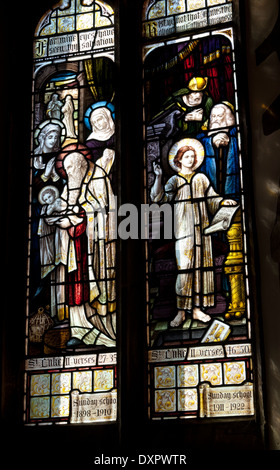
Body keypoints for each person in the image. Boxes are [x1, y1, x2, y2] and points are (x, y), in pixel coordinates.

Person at [150, 138, 237, 328]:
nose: (190, 159)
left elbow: (212, 198)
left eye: (192, 156)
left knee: (201, 268)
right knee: (186, 269)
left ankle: (197, 309)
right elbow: (158, 198)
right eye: (186, 156)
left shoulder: (201, 178)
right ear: (179, 160)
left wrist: (223, 202)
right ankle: (181, 311)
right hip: (183, 231)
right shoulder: (174, 180)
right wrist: (158, 177)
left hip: (203, 230)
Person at [53, 145, 117, 347]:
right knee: (75, 285)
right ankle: (79, 329)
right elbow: (63, 204)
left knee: (98, 282)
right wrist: (61, 217)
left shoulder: (98, 177)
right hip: (76, 245)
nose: (70, 174)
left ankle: (104, 330)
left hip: (97, 245)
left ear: (81, 165)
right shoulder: (72, 182)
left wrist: (78, 216)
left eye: (72, 170)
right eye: (67, 170)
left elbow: (103, 209)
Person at [149, 77, 214, 141]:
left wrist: (203, 118)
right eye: (194, 92)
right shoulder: (175, 101)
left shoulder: (207, 101)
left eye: (200, 92)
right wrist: (184, 118)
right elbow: (165, 121)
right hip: (177, 140)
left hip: (200, 138)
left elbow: (214, 120)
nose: (197, 95)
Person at [198, 102, 240, 198]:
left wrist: (229, 139)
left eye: (219, 116)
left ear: (227, 118)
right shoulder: (203, 135)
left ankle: (231, 197)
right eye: (213, 116)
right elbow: (197, 143)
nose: (215, 119)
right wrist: (210, 141)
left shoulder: (234, 131)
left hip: (229, 172)